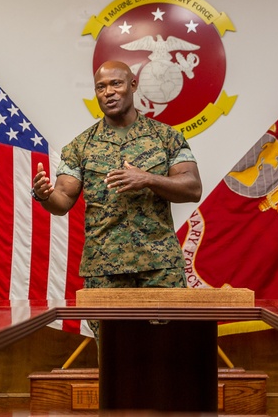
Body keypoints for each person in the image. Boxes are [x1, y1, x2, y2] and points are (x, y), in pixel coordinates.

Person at [32, 60, 202, 308]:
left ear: (133, 85)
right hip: (104, 270)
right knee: (113, 346)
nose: (108, 92)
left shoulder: (167, 137)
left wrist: (147, 178)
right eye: (101, 87)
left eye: (115, 84)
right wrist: (44, 195)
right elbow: (62, 201)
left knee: (167, 345)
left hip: (160, 268)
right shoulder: (80, 146)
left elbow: (193, 187)